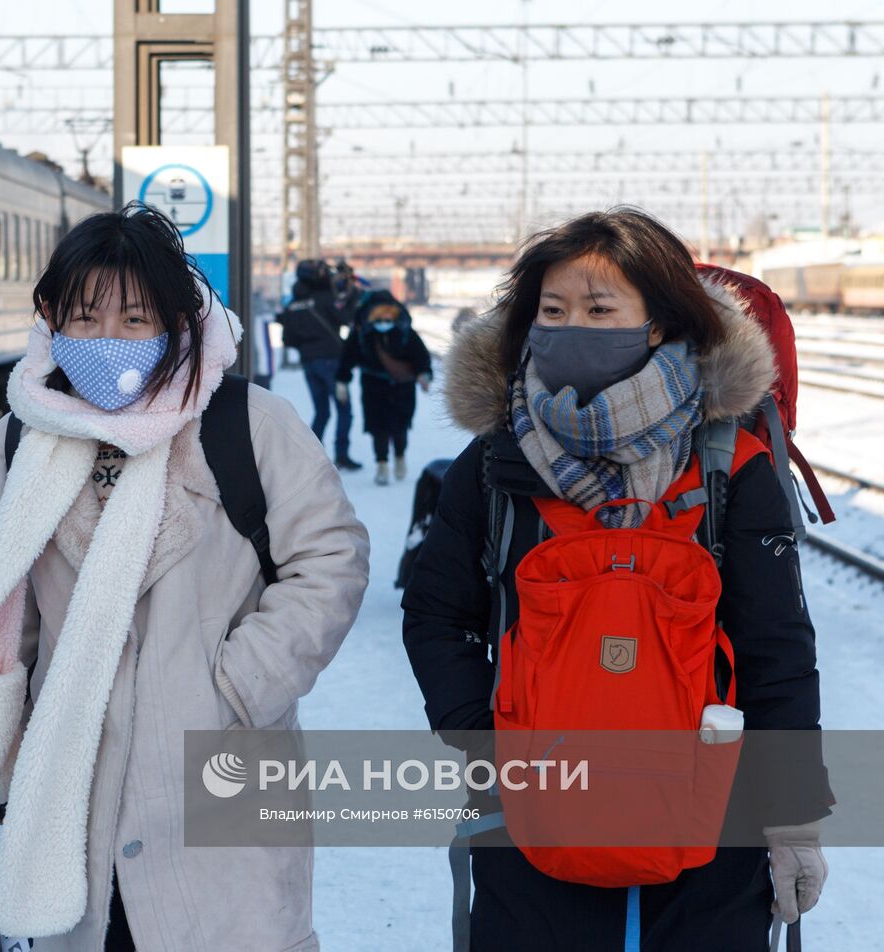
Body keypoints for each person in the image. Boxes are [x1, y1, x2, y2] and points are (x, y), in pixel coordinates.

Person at [0, 203, 369, 951]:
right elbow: (4, 614)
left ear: (176, 319)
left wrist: (237, 681)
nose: (108, 340)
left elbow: (332, 559)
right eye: (85, 317)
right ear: (50, 318)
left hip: (223, 768)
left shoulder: (245, 423)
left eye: (135, 319)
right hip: (74, 778)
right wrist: (3, 756)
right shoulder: (20, 441)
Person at [403, 208, 829, 951]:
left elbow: (777, 649)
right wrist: (486, 745)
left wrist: (792, 820)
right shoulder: (496, 463)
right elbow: (438, 613)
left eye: (602, 310)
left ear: (659, 323)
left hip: (712, 824)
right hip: (532, 817)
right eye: (554, 310)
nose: (574, 327)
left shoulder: (729, 464)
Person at [337, 289, 433, 486]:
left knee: (400, 426)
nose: (385, 318)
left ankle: (399, 456)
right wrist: (342, 380)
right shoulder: (361, 333)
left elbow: (421, 355)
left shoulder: (405, 331)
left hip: (402, 387)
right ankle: (381, 464)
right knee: (377, 426)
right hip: (373, 385)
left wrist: (424, 374)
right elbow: (348, 356)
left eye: (389, 313)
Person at [278, 259, 363, 471]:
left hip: (309, 363)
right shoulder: (324, 298)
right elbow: (347, 319)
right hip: (332, 361)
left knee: (321, 411)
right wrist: (352, 294)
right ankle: (342, 455)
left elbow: (288, 340)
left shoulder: (292, 305)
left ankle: (312, 457)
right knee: (344, 410)